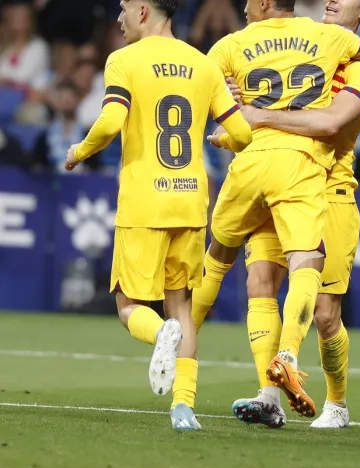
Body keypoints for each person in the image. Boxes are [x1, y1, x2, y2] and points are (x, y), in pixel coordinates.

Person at [191, 0, 360, 420]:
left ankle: (337, 403)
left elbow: (328, 123)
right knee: (259, 283)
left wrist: (256, 114)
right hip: (281, 176)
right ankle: (269, 397)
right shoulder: (308, 45)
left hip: (331, 190)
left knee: (326, 314)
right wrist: (233, 102)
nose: (331, 1)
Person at [63, 0, 252, 431]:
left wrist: (79, 151)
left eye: (125, 8)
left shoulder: (124, 60)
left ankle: (158, 336)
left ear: (145, 12)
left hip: (145, 199)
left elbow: (111, 122)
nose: (119, 18)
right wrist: (219, 141)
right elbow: (242, 132)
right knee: (182, 306)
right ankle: (184, 408)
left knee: (129, 306)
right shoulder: (202, 64)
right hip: (190, 200)